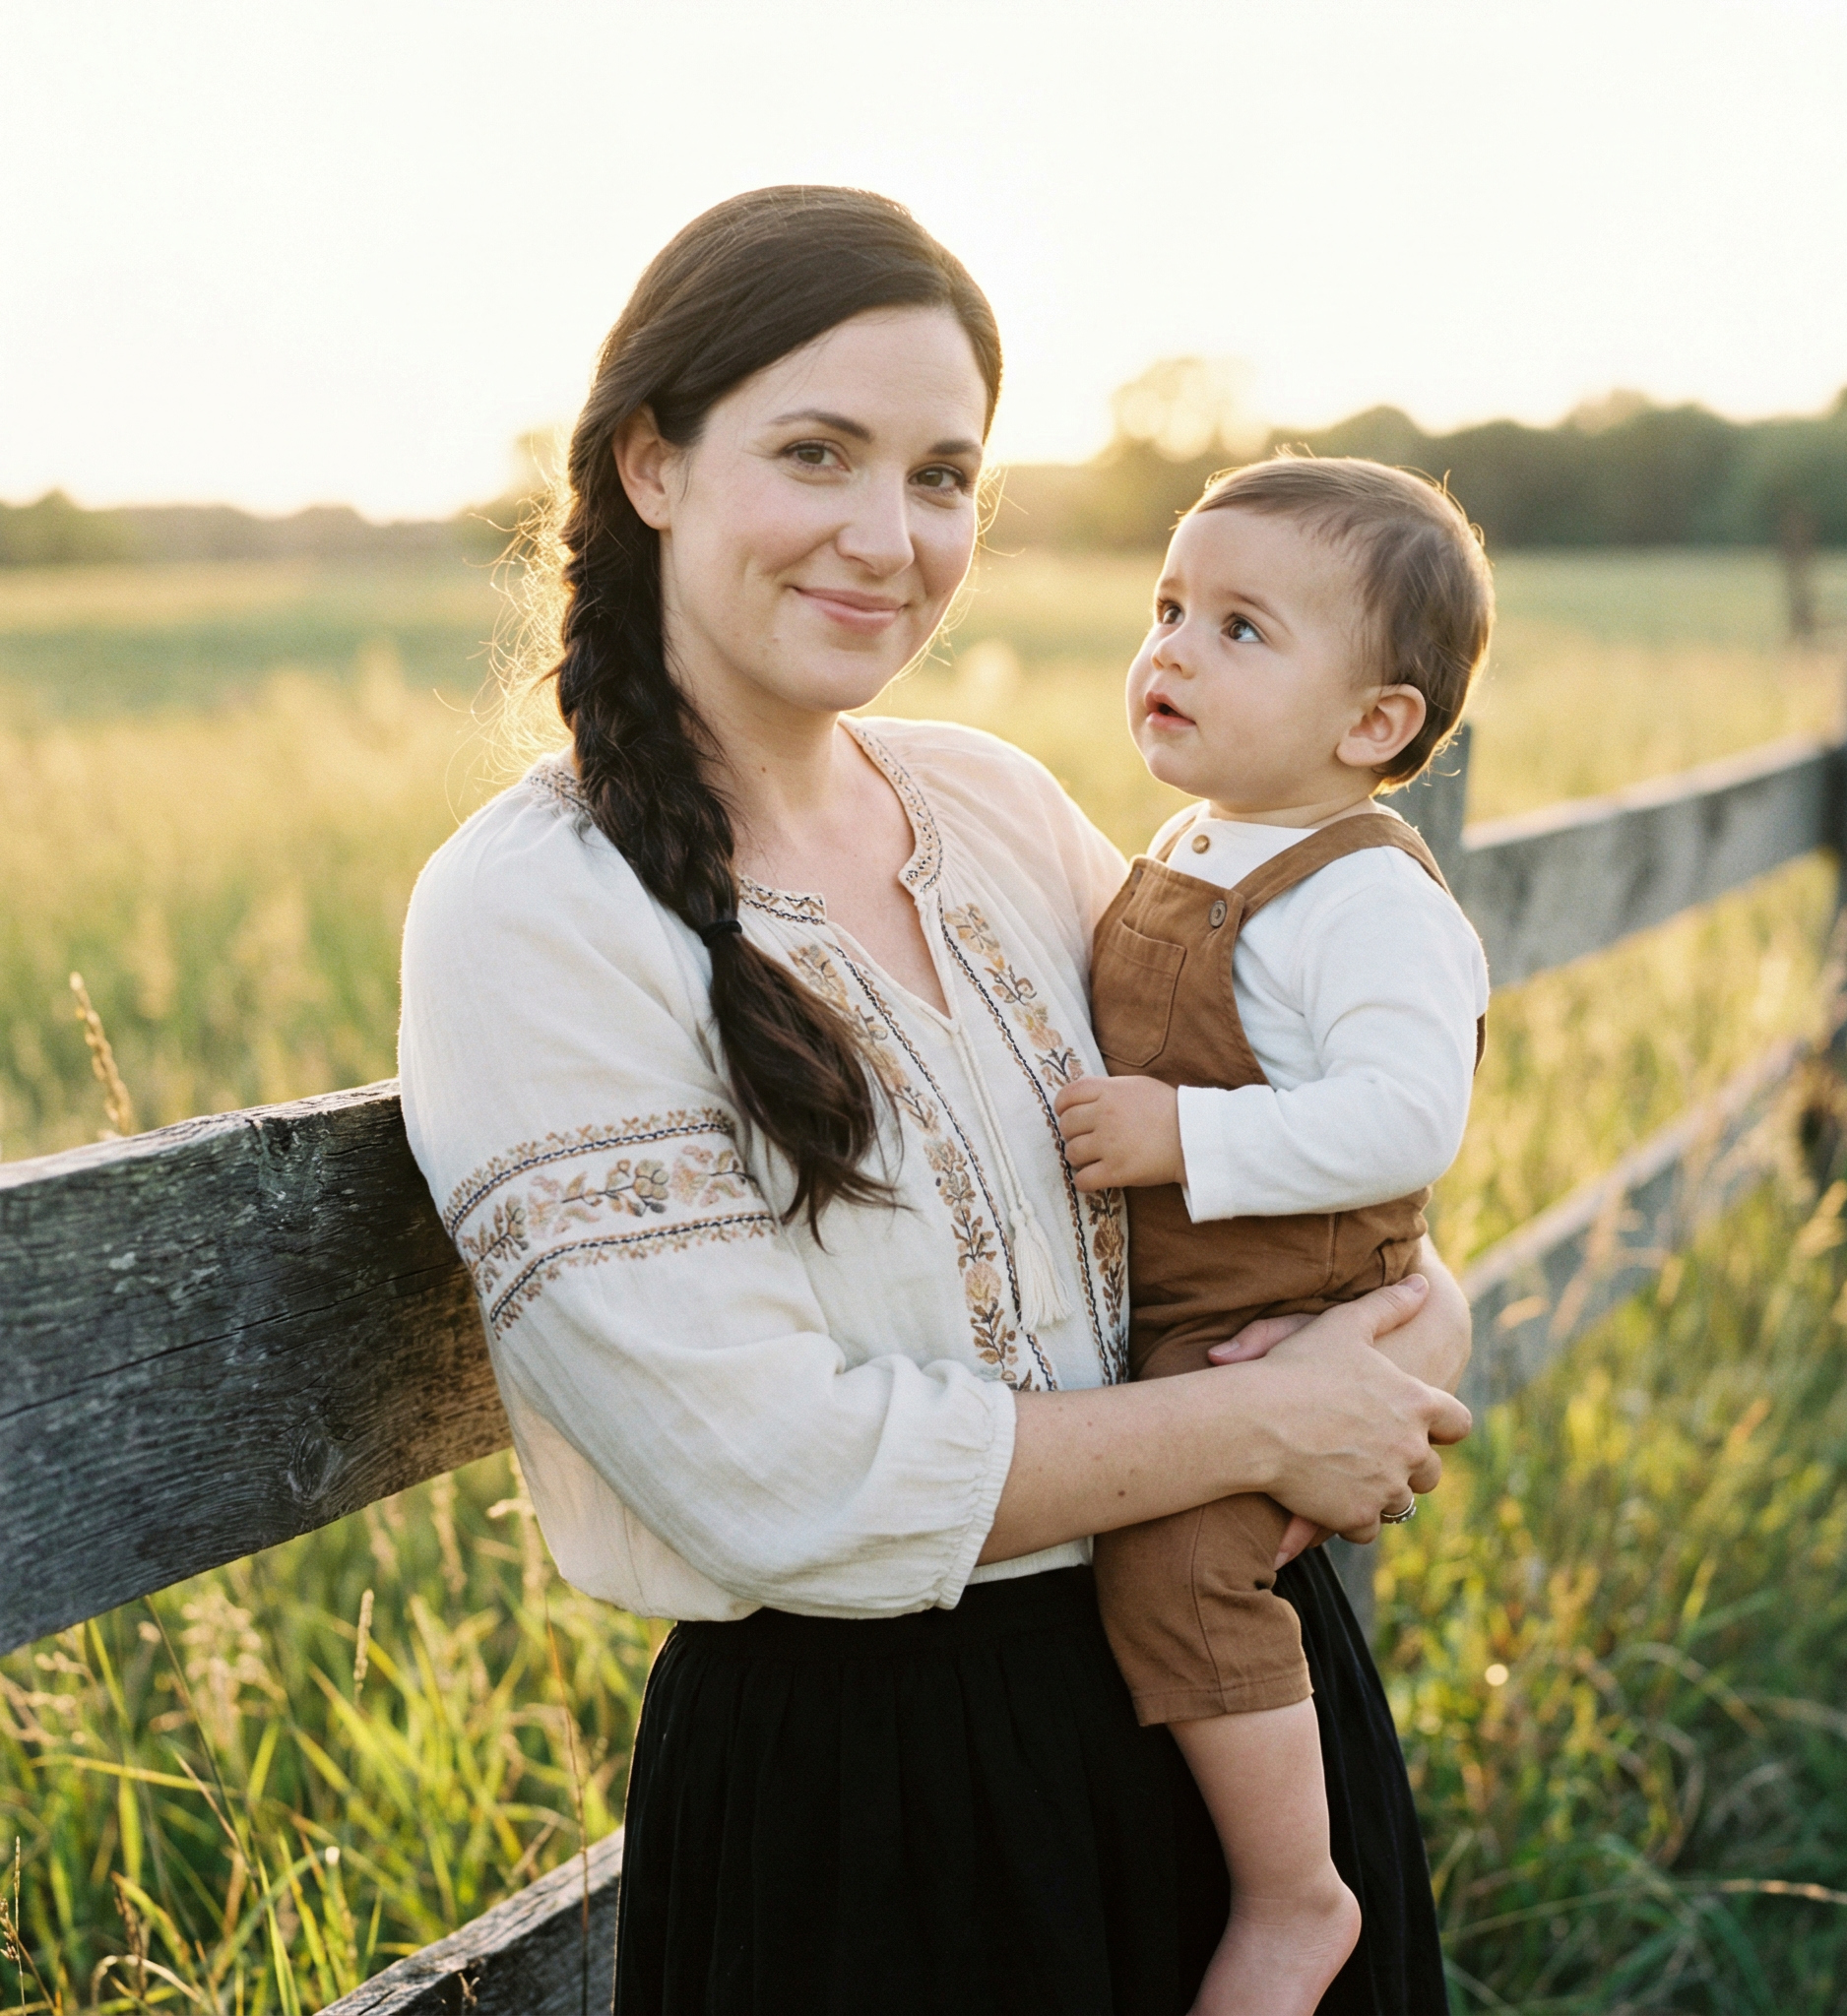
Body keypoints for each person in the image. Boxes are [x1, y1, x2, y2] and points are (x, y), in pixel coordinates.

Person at [398, 186, 1473, 2015]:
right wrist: (1273, 1425)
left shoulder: (990, 805)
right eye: (817, 452)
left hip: (1234, 1712)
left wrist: (1416, 1319)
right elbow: (781, 1477)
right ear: (651, 462)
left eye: (944, 476)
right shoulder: (537, 910)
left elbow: (1284, 1144)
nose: (886, 539)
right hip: (883, 1807)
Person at [1054, 458, 1494, 2015]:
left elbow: (1404, 1121)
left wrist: (1185, 1134)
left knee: (1178, 1563)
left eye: (1241, 628)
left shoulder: (1365, 899)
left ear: (1373, 725)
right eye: (1168, 606)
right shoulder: (1198, 845)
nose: (1169, 649)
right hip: (1191, 1301)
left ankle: (1295, 1899)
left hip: (1279, 1302)